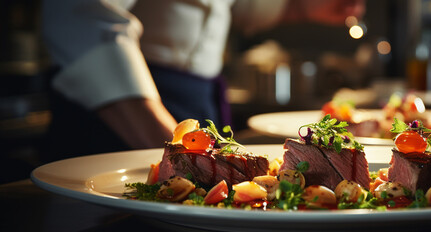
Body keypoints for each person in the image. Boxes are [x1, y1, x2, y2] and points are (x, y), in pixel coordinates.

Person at [41, 0, 365, 162]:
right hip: (119, 111)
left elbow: (225, 8)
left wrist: (303, 7)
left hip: (198, 101)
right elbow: (80, 17)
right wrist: (181, 151)